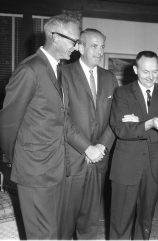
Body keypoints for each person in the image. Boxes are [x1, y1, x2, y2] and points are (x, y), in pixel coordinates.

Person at [0, 14, 103, 239]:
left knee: (53, 231)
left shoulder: (57, 69)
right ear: (54, 36)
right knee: (42, 235)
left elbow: (61, 119)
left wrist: (86, 147)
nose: (77, 48)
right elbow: (7, 123)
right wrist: (18, 160)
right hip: (35, 170)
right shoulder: (30, 70)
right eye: (74, 41)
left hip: (56, 169)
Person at [109, 50, 158, 239]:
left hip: (154, 168)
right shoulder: (121, 93)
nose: (151, 77)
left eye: (155, 71)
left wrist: (137, 124)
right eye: (146, 72)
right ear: (135, 70)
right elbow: (121, 130)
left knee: (145, 220)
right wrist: (149, 124)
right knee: (120, 220)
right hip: (126, 167)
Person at [60, 28, 117, 239]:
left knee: (91, 221)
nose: (100, 51)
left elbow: (115, 117)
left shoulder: (110, 78)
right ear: (80, 47)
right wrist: (86, 147)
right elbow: (61, 117)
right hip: (73, 158)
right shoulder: (63, 74)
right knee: (65, 220)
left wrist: (102, 146)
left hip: (100, 158)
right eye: (94, 46)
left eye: (102, 46)